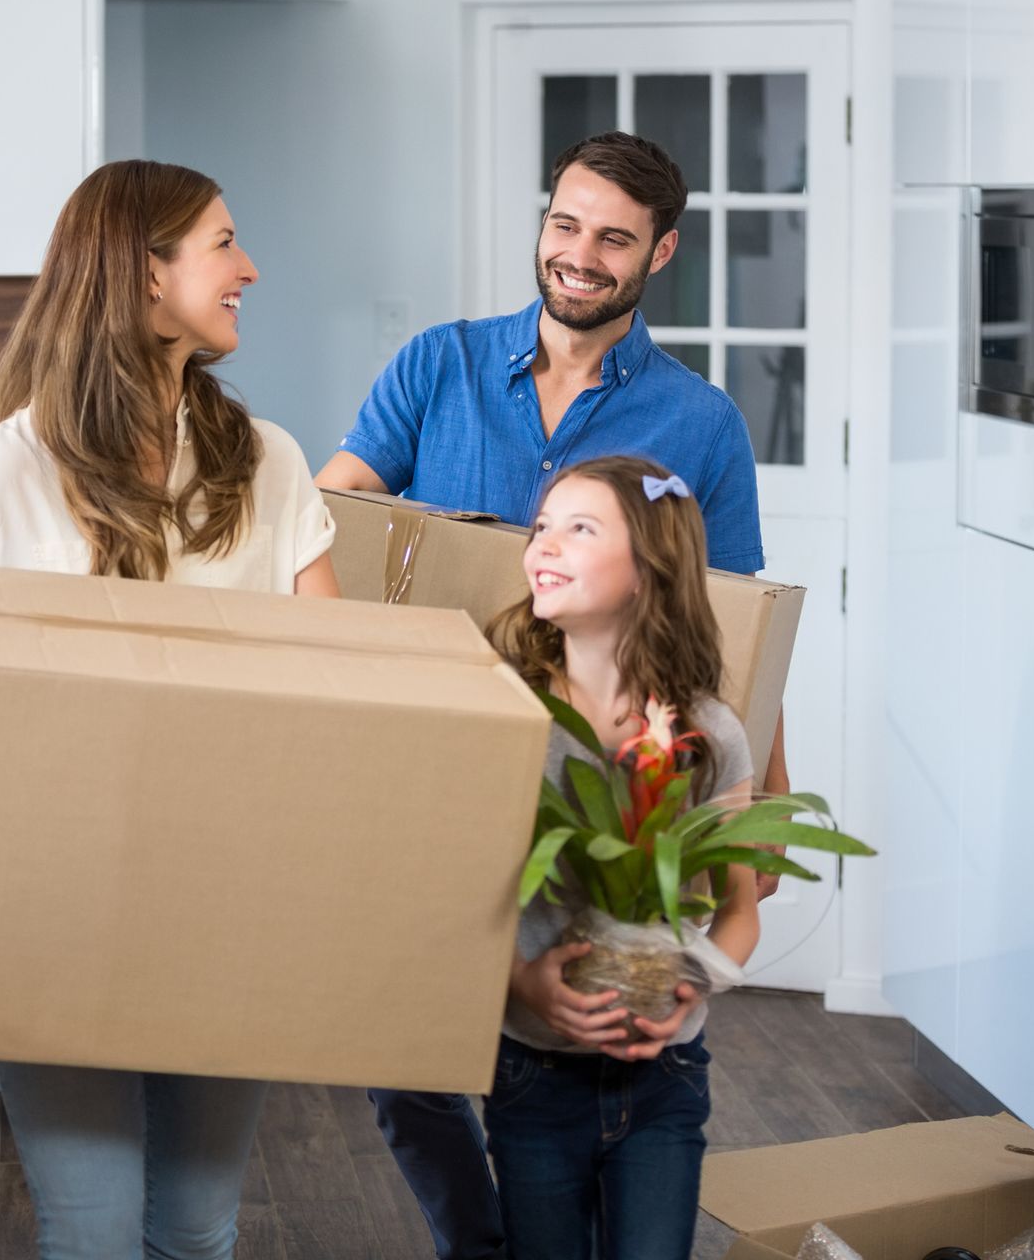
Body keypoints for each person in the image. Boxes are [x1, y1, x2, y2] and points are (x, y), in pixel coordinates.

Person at [0, 159, 338, 1260]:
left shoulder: (267, 466)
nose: (249, 267)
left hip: (228, 904)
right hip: (50, 909)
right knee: (97, 1230)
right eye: (223, 242)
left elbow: (341, 692)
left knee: (198, 1231)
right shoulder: (4, 474)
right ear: (145, 273)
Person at [319, 130, 789, 1260]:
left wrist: (765, 783)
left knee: (556, 1029)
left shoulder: (701, 421)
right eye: (565, 224)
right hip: (437, 758)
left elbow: (733, 621)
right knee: (404, 1060)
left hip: (596, 763)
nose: (580, 255)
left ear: (659, 252)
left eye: (614, 238)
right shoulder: (439, 364)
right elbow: (325, 523)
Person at [487, 454, 759, 1259]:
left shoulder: (713, 732)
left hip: (665, 1075)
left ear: (648, 568)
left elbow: (740, 908)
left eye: (580, 528)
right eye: (542, 527)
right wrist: (521, 979)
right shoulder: (504, 714)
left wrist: (691, 987)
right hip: (533, 1068)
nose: (544, 545)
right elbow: (454, 893)